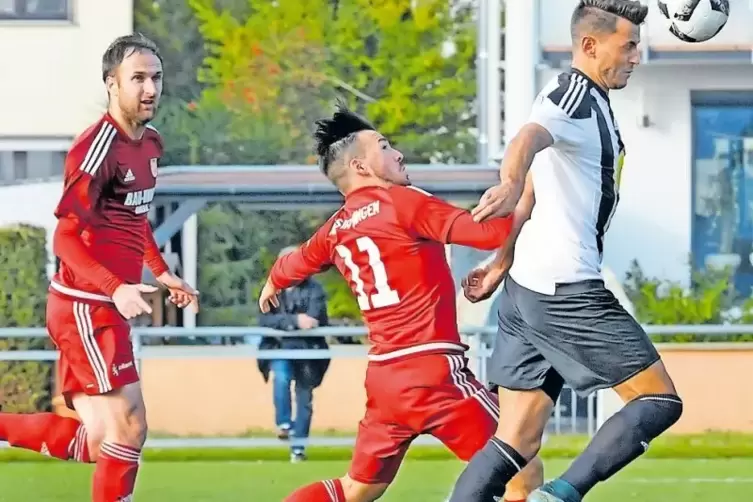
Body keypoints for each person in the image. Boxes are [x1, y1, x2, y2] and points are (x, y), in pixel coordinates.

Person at [447, 2, 683, 501]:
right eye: (629, 45)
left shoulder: (592, 102)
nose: (637, 56)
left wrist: (500, 262)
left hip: (526, 289)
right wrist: (507, 180)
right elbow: (527, 141)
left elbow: (534, 190)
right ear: (591, 46)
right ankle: (559, 496)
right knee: (659, 400)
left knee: (516, 440)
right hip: (565, 291)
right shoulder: (572, 92)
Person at [258, 104, 544, 502]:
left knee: (354, 490)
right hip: (433, 372)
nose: (398, 154)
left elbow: (295, 261)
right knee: (523, 469)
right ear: (360, 167)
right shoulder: (402, 202)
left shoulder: (335, 228)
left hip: (385, 379)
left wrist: (272, 282)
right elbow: (489, 234)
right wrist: (528, 187)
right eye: (385, 146)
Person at [0, 34, 198, 502]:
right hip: (85, 305)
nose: (150, 88)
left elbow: (134, 218)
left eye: (156, 78)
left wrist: (161, 271)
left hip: (102, 305)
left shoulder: (149, 144)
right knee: (128, 429)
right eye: (138, 79)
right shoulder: (98, 147)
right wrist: (115, 288)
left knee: (101, 440)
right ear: (111, 84)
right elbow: (64, 237)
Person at [258, 245, 331, 462]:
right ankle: (284, 424)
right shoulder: (271, 290)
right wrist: (295, 321)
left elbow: (315, 317)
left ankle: (298, 448)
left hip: (308, 351)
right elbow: (264, 319)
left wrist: (291, 324)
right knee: (280, 378)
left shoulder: (315, 289)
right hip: (280, 346)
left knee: (304, 397)